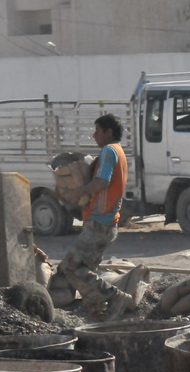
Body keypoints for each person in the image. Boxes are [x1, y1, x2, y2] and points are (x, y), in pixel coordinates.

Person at [57, 114, 133, 320]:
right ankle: (97, 313)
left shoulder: (109, 151)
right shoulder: (118, 151)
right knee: (87, 270)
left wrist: (78, 191)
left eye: (97, 131)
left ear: (108, 132)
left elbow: (102, 181)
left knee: (70, 267)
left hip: (100, 224)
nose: (94, 135)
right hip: (107, 223)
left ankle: (116, 297)